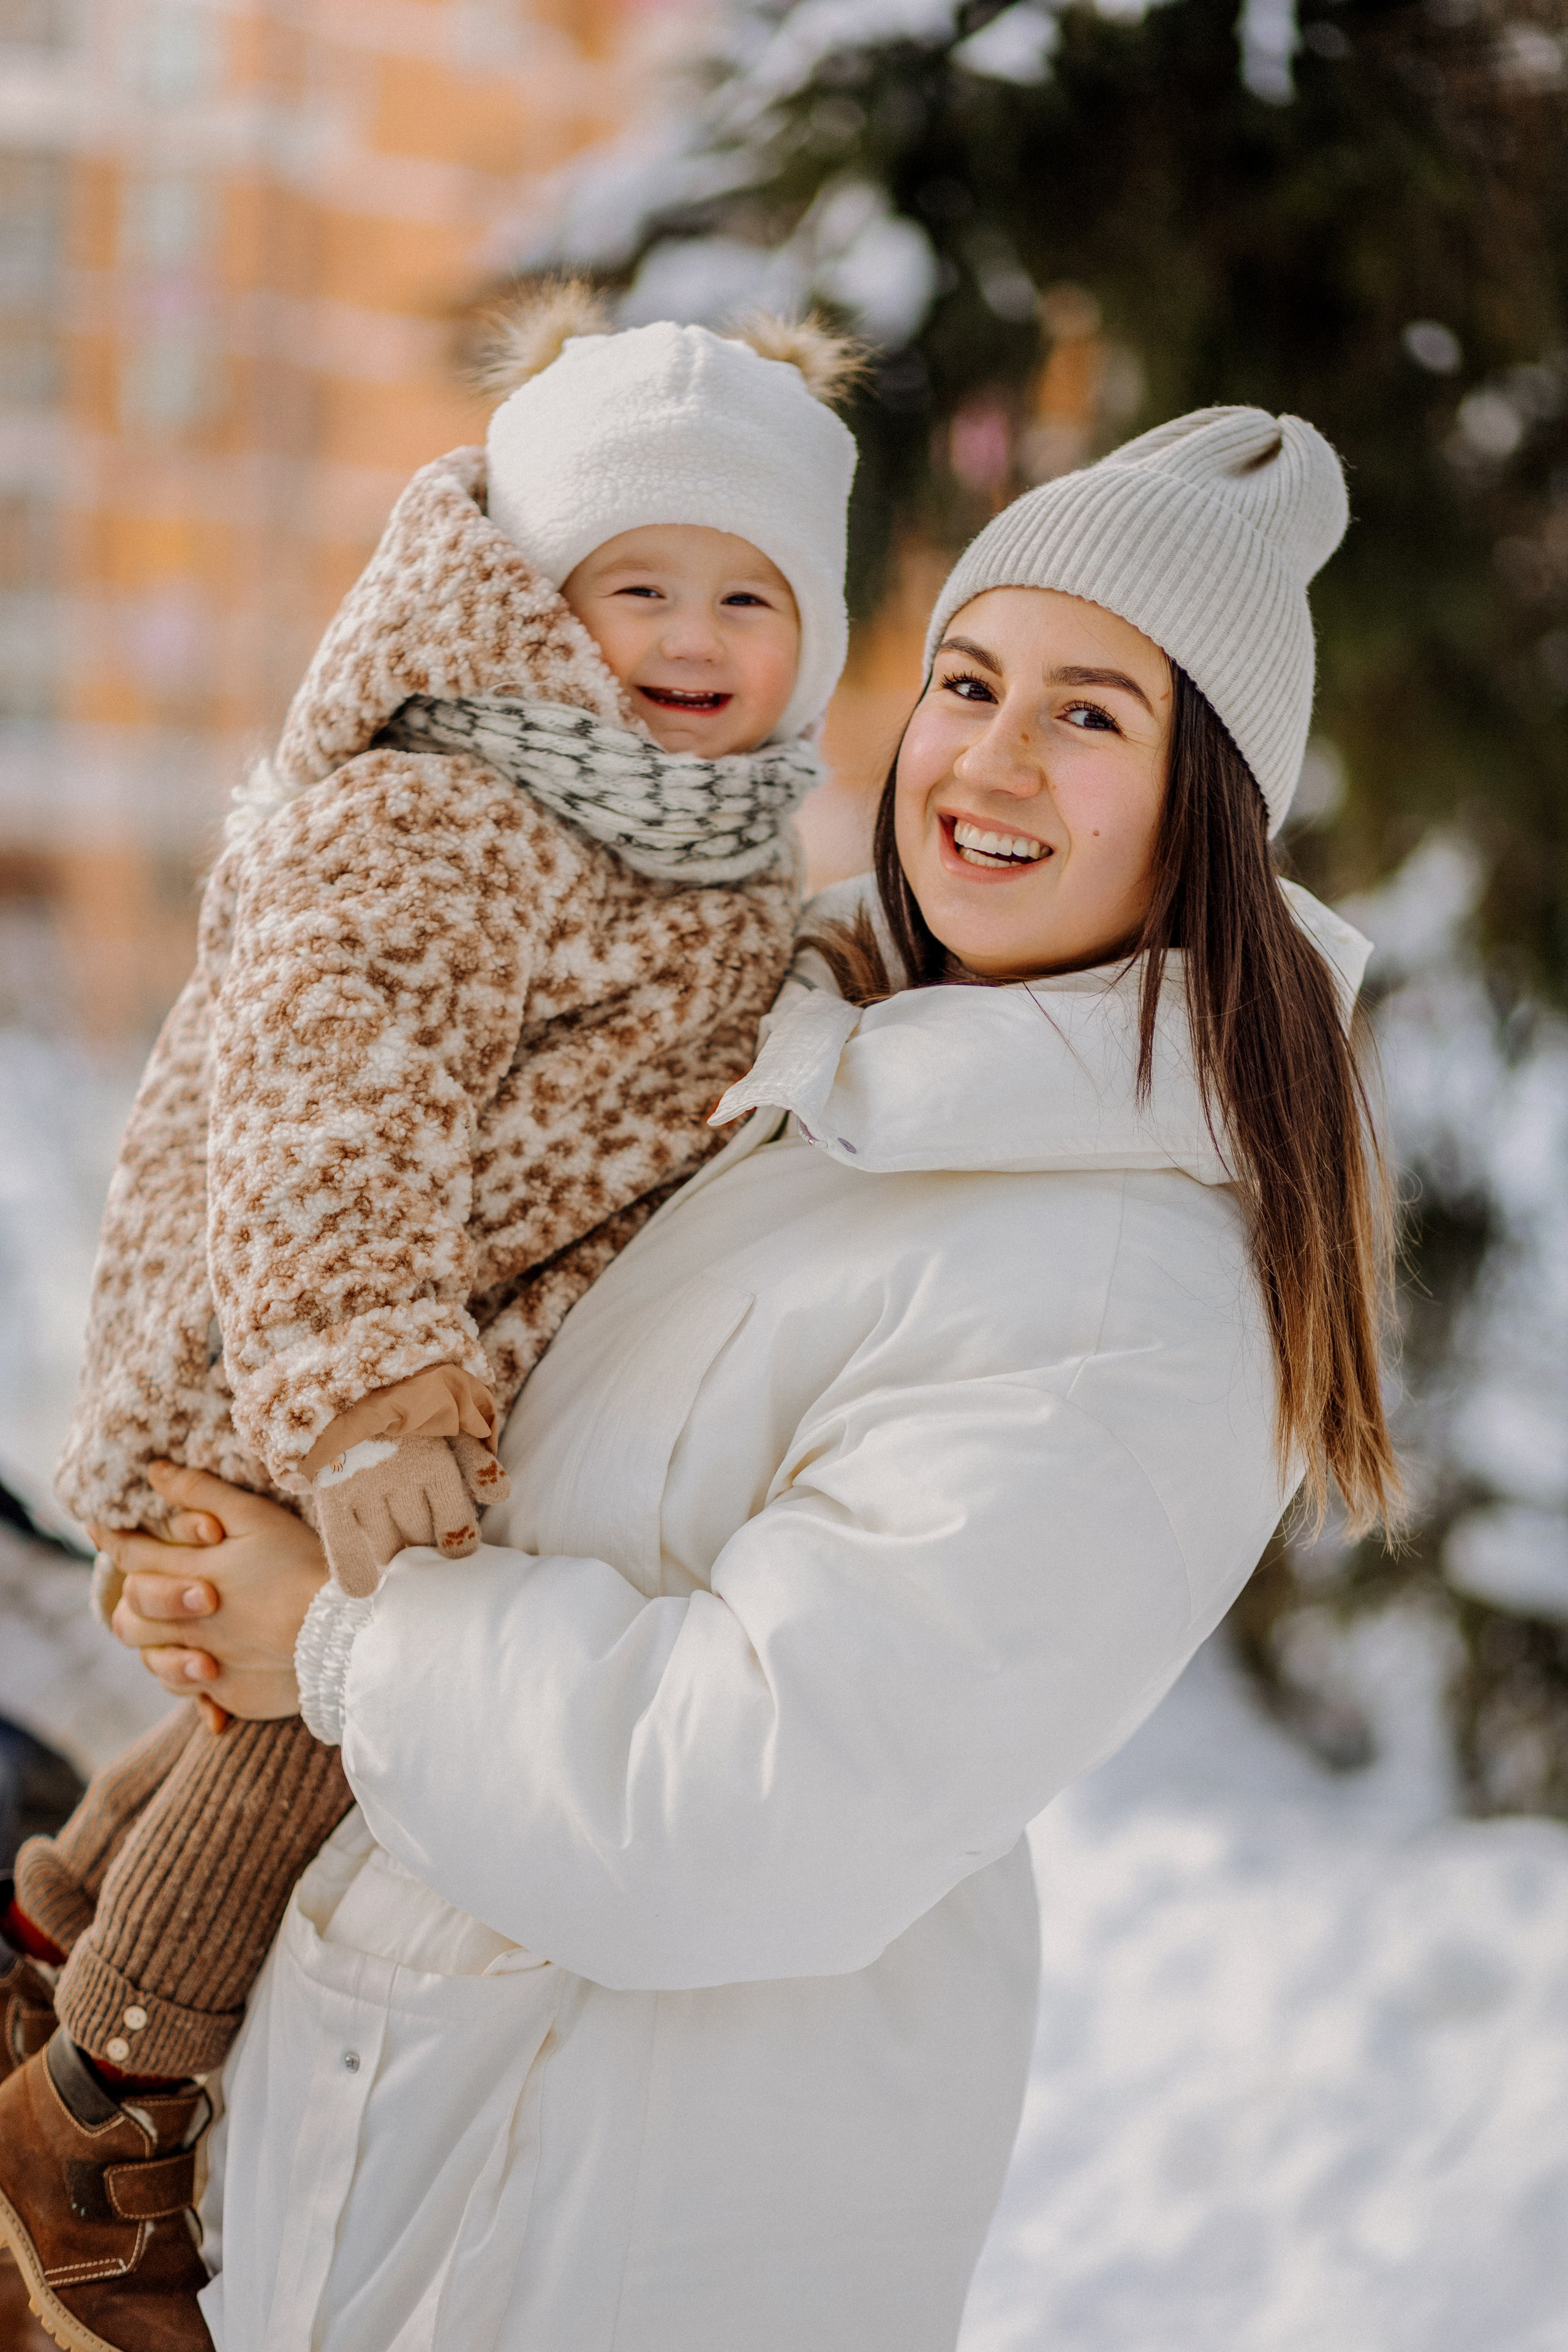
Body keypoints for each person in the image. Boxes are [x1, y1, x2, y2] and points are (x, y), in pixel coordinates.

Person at [47, 406, 1398, 2352]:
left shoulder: (1125, 1289)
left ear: (1214, 810)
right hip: (407, 2164)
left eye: (1092, 717)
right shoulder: (787, 1059)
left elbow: (755, 1803)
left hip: (613, 2233)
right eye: (965, 681)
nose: (989, 760)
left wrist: (340, 1643)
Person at [0, 288, 861, 2352]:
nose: (685, 634)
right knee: (334, 1729)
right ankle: (99, 2099)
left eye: (745, 597)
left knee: (277, 1713)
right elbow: (327, 1100)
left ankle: (45, 1929)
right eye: (630, 581)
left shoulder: (701, 843)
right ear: (534, 600)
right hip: (298, 1366)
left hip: (397, 1375)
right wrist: (376, 1396)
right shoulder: (449, 803)